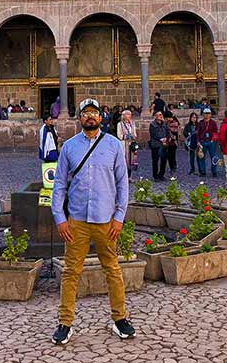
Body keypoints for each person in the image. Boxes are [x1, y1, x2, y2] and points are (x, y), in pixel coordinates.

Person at [50, 98, 133, 345]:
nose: (90, 117)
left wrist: (119, 217)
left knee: (113, 270)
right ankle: (65, 323)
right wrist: (59, 218)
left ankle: (120, 318)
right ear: (79, 118)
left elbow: (123, 184)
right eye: (85, 113)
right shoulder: (69, 147)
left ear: (100, 117)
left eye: (94, 113)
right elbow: (60, 185)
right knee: (71, 272)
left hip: (106, 221)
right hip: (76, 221)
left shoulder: (113, 145)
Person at [196, 107, 219, 177]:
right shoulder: (200, 123)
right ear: (203, 114)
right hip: (202, 141)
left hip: (211, 142)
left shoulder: (213, 123)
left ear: (210, 114)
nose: (207, 115)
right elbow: (198, 133)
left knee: (213, 157)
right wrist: (198, 141)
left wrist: (214, 140)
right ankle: (203, 172)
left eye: (208, 113)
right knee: (201, 157)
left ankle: (214, 172)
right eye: (206, 113)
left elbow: (216, 132)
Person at [116, 109, 139, 178]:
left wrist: (133, 136)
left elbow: (134, 133)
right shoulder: (120, 124)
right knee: (124, 160)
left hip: (131, 144)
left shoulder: (132, 124)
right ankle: (123, 177)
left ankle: (129, 176)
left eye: (130, 114)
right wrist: (126, 136)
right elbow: (119, 135)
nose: (129, 115)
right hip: (124, 144)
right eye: (128, 114)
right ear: (124, 116)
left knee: (131, 160)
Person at [148, 111, 168, 181]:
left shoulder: (164, 124)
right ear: (155, 116)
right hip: (156, 145)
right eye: (159, 115)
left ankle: (161, 175)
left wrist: (166, 138)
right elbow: (153, 134)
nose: (160, 116)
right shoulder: (152, 124)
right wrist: (161, 139)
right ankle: (155, 176)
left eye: (161, 114)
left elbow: (167, 132)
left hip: (164, 144)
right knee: (155, 161)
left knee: (163, 161)